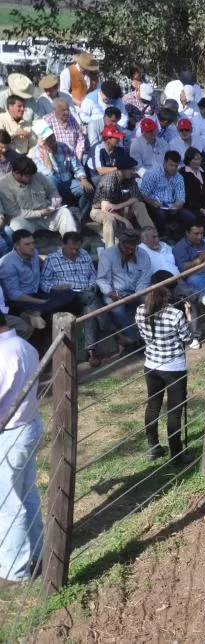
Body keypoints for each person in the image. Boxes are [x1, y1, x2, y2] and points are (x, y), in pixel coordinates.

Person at [0, 312, 44, 583]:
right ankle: (39, 550)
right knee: (27, 493)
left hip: (11, 433)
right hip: (28, 425)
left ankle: (14, 570)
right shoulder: (26, 347)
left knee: (7, 502)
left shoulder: (3, 354)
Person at [135, 270, 192, 462]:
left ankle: (153, 446)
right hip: (174, 367)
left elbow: (144, 336)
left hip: (151, 364)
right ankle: (177, 454)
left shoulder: (140, 311)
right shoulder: (175, 314)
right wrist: (189, 319)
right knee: (174, 411)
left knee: (153, 404)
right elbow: (187, 338)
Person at [39, 231, 101, 364]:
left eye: (77, 248)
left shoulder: (84, 255)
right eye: (71, 248)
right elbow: (43, 283)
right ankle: (111, 330)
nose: (74, 252)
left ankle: (91, 351)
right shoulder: (52, 259)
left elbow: (93, 276)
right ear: (63, 245)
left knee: (90, 310)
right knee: (92, 302)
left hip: (85, 293)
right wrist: (56, 287)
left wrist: (91, 286)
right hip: (65, 297)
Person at [96, 229, 152, 348]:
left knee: (148, 301)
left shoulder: (143, 255)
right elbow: (102, 279)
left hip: (137, 291)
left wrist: (137, 294)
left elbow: (144, 278)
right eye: (126, 248)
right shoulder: (108, 255)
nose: (129, 251)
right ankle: (136, 340)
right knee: (117, 309)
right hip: (114, 292)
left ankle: (150, 336)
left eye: (132, 248)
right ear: (120, 243)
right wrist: (111, 293)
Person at [0, 156, 77, 237]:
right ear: (17, 173)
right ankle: (27, 248)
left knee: (64, 212)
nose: (32, 178)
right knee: (16, 224)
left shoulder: (37, 175)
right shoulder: (4, 185)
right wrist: (39, 213)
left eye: (33, 175)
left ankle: (71, 242)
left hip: (46, 214)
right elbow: (14, 212)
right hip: (26, 219)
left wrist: (55, 202)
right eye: (28, 176)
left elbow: (52, 191)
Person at [28, 120, 93, 215]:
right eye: (48, 138)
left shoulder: (64, 147)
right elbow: (49, 175)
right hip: (48, 188)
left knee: (88, 189)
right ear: (41, 140)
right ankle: (59, 211)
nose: (52, 139)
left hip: (67, 183)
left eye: (52, 135)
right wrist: (45, 153)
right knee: (51, 179)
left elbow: (77, 165)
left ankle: (80, 214)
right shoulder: (34, 154)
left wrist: (83, 178)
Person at [141, 150, 195, 235]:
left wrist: (177, 205)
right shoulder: (153, 173)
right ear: (165, 162)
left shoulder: (178, 177)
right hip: (154, 204)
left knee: (191, 217)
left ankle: (177, 236)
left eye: (176, 166)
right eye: (171, 165)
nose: (174, 168)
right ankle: (162, 236)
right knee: (161, 214)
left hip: (171, 206)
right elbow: (143, 194)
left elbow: (181, 198)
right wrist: (152, 202)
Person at [180, 147, 205, 225]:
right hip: (191, 205)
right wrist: (200, 209)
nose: (199, 161)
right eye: (196, 159)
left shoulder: (204, 170)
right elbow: (186, 195)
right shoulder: (182, 173)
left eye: (200, 158)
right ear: (189, 160)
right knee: (201, 219)